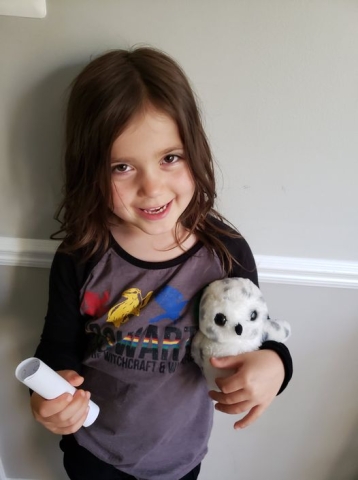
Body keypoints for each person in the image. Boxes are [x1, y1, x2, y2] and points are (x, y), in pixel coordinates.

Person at [30, 47, 293, 480]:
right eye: (121, 167)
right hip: (92, 450)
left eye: (170, 158)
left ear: (195, 150)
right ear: (89, 171)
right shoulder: (81, 254)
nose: (151, 189)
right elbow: (58, 347)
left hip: (179, 459)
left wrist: (277, 364)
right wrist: (49, 398)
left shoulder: (226, 254)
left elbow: (255, 337)